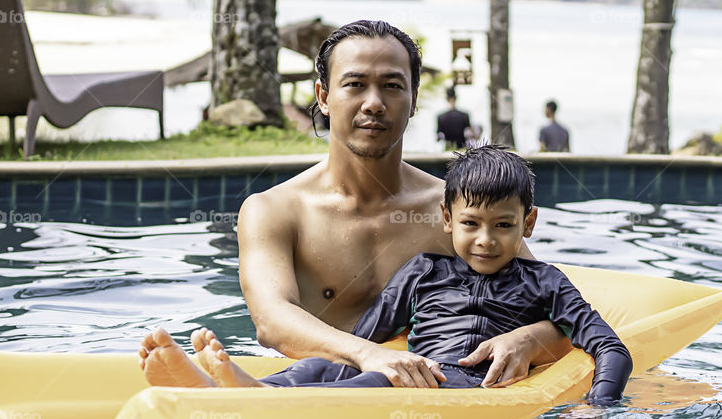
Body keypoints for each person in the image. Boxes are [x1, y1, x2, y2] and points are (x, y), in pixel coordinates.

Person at [138, 20, 569, 391]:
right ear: (324, 97)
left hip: (431, 390)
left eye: (392, 86)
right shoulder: (276, 210)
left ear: (414, 100)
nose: (374, 103)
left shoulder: (459, 215)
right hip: (314, 382)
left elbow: (549, 304)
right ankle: (241, 394)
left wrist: (531, 338)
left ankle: (229, 394)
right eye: (355, 84)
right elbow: (270, 321)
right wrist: (369, 357)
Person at [140, 146, 632, 404]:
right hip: (421, 369)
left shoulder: (543, 282)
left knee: (380, 382)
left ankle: (255, 399)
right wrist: (351, 359)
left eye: (504, 226)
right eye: (470, 225)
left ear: (528, 223)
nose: (486, 240)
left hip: (462, 385)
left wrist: (599, 406)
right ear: (446, 220)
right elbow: (365, 337)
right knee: (327, 368)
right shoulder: (424, 271)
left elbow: (609, 346)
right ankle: (251, 387)